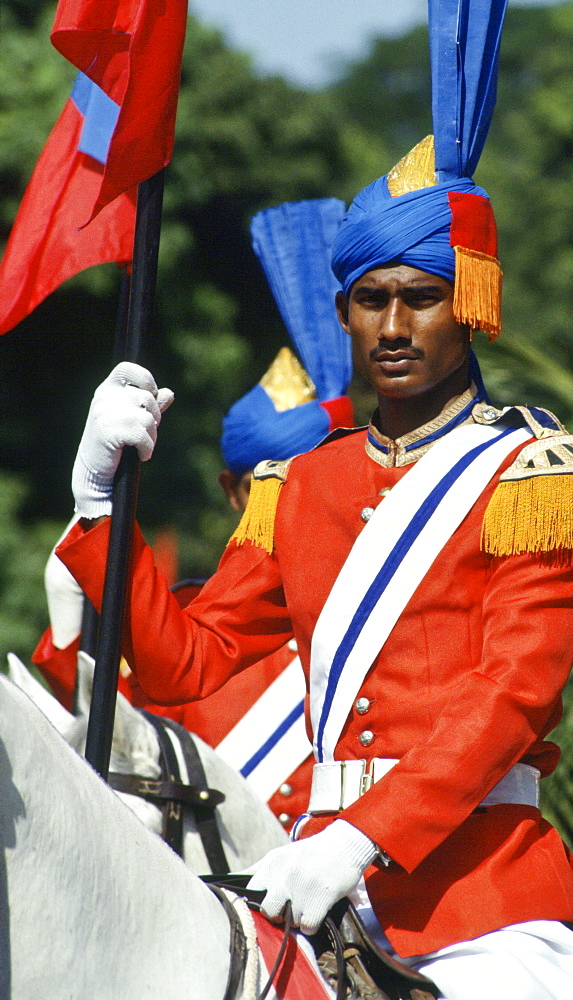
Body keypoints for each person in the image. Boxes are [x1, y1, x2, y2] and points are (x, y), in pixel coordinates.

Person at [56, 2, 573, 997]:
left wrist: (361, 835)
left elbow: (509, 699)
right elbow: (191, 662)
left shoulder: (535, 475)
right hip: (307, 873)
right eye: (372, 300)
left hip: (483, 900)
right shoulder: (308, 483)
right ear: (344, 315)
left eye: (423, 294)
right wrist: (100, 505)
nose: (395, 324)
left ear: (473, 302)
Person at [35, 198, 353, 832]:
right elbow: (100, 743)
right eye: (274, 486)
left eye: (326, 477)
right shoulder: (190, 617)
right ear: (233, 492)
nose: (302, 502)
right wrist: (70, 627)